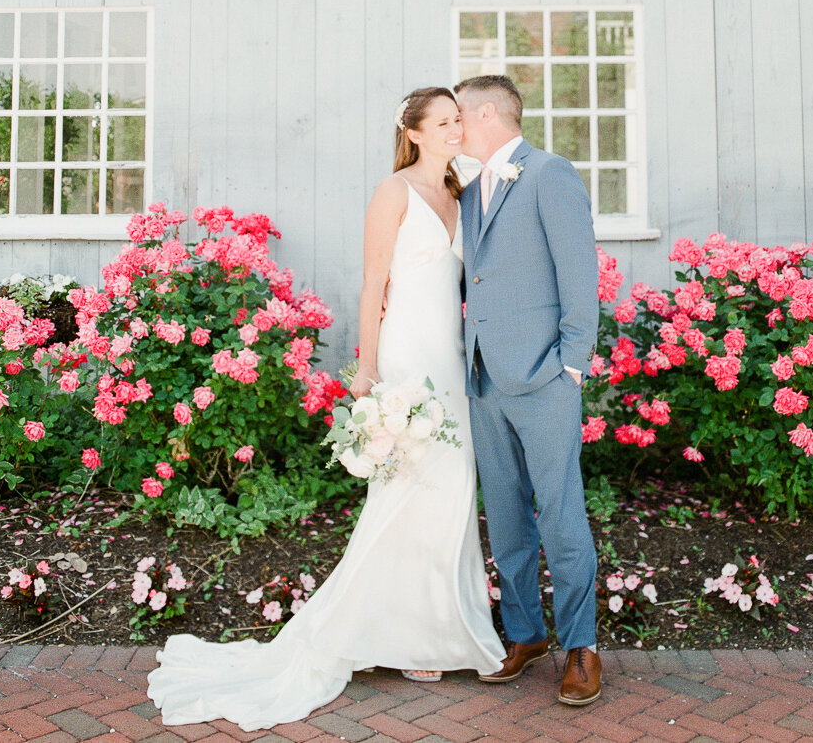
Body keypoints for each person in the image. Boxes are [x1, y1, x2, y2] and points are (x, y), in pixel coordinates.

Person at [147, 87, 504, 730]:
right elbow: (373, 282)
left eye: (460, 119)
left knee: (451, 487)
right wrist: (367, 366)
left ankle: (446, 628)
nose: (458, 129)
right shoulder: (393, 192)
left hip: (451, 359)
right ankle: (394, 634)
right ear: (416, 133)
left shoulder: (461, 191)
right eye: (446, 121)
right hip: (405, 358)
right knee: (404, 488)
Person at [454, 75, 601, 708]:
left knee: (561, 512)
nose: (454, 126)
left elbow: (580, 276)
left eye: (459, 115)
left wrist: (570, 366)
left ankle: (581, 646)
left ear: (487, 113)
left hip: (543, 378)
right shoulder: (467, 188)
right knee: (507, 516)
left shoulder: (548, 173)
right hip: (484, 379)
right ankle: (524, 634)